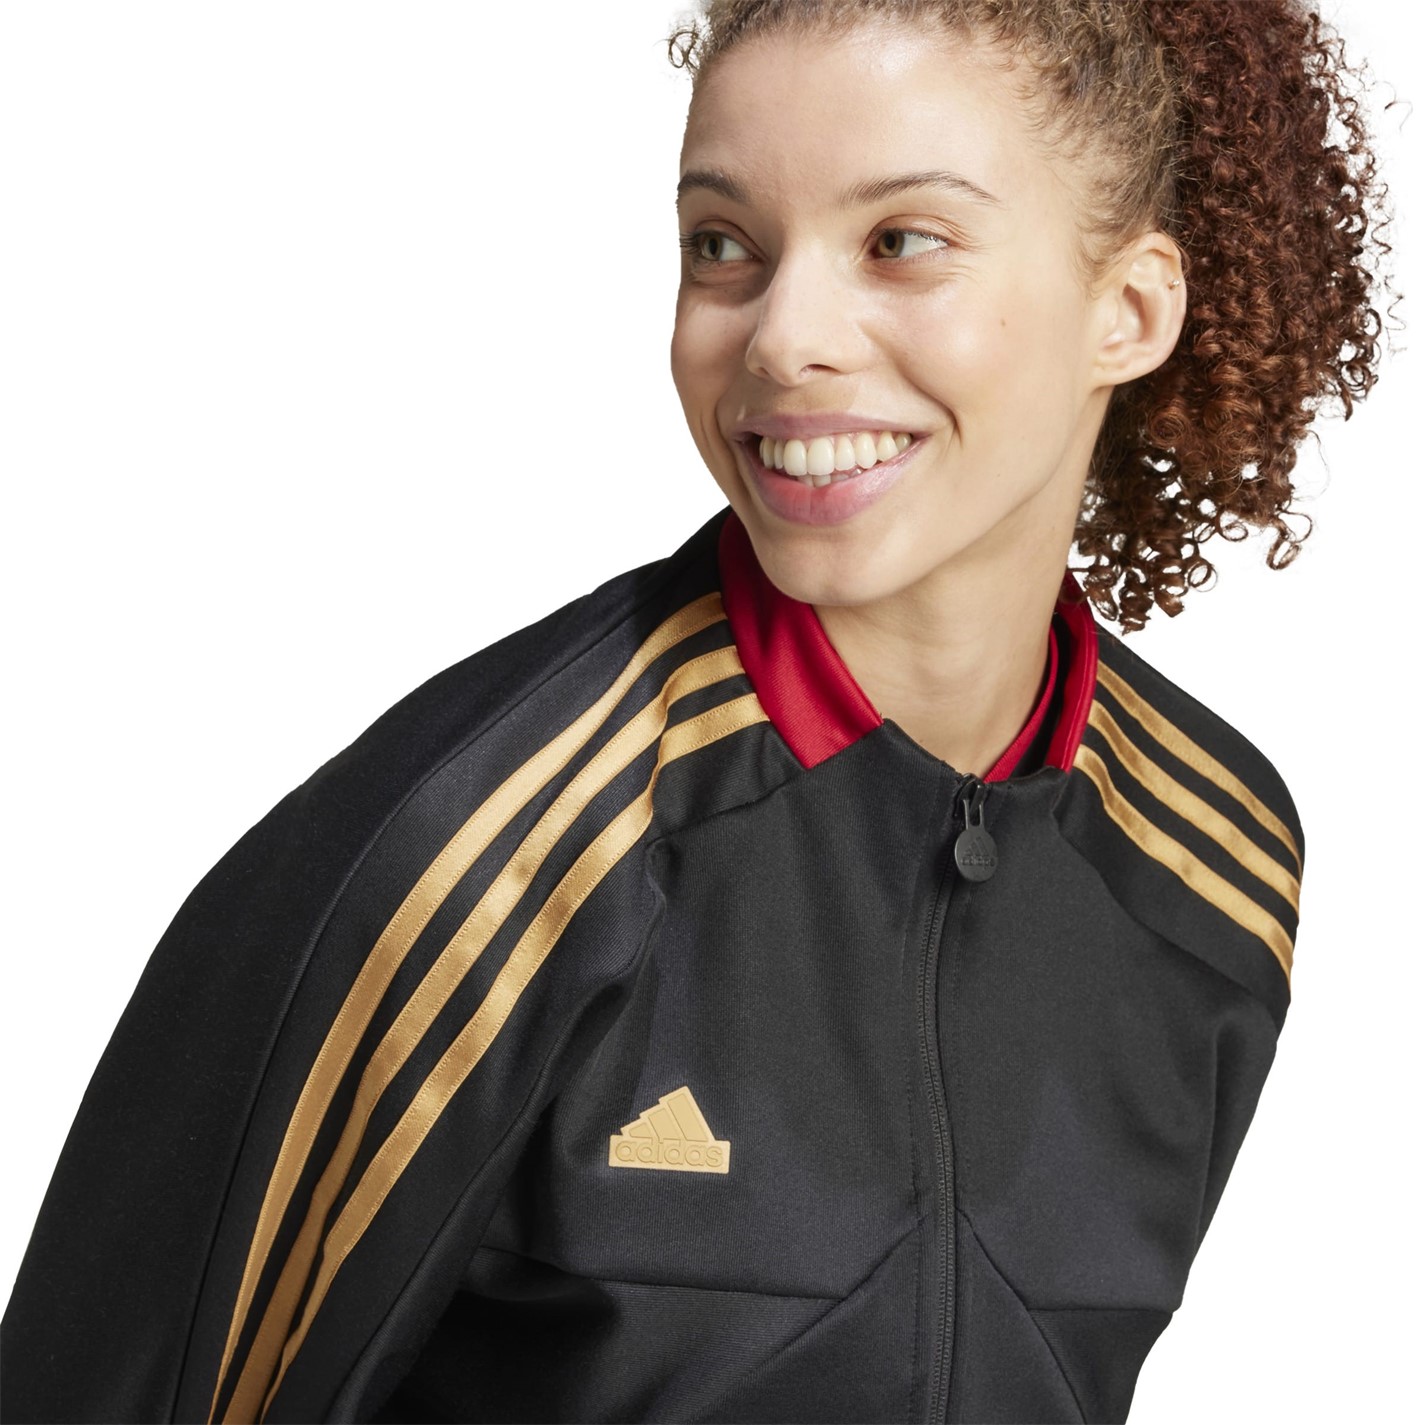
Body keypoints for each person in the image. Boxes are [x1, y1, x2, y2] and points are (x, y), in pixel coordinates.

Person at [0, 0, 1392, 1421]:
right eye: (724, 246)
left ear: (1130, 311)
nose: (784, 338)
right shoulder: (471, 859)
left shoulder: (1215, 863)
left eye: (900, 241)